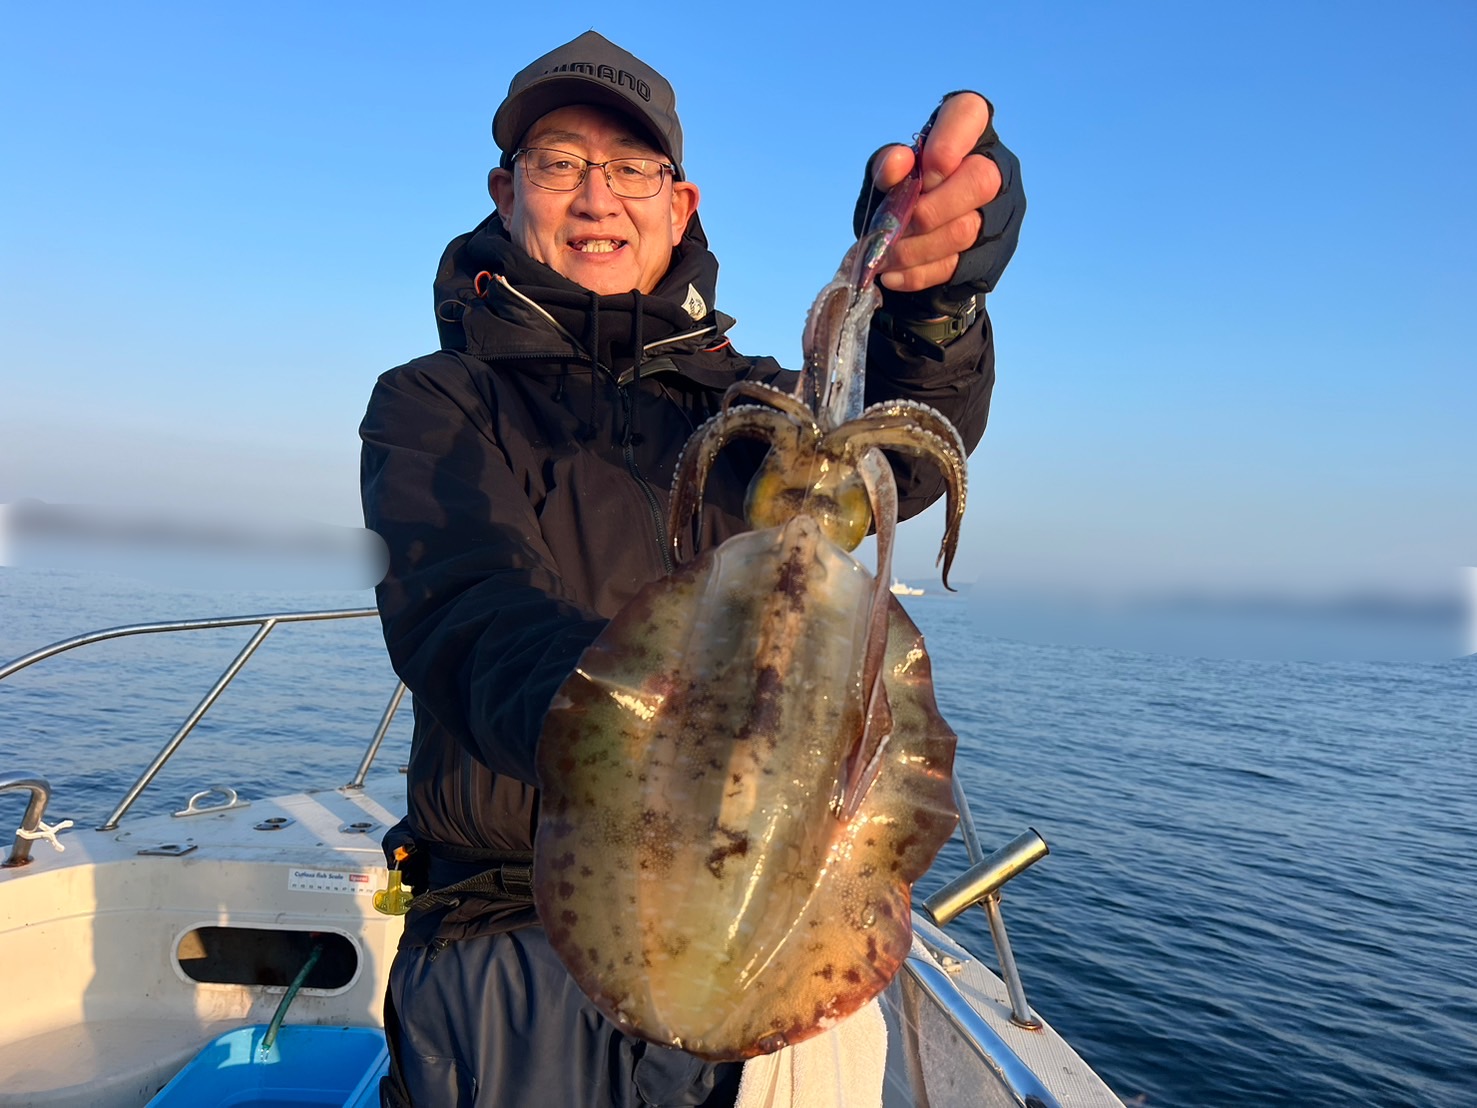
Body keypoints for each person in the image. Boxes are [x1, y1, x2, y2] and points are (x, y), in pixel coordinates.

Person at [359, 29, 1025, 1108]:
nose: (597, 197)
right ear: (505, 190)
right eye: (560, 163)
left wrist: (931, 305)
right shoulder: (437, 400)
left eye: (632, 168)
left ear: (680, 205)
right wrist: (650, 726)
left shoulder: (750, 407)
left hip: (762, 897)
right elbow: (463, 611)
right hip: (505, 934)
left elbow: (889, 452)